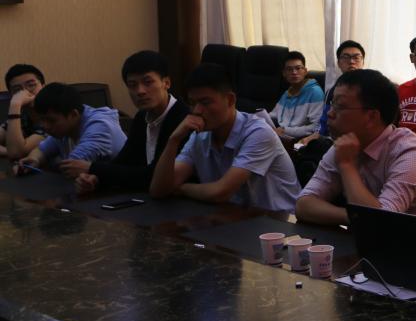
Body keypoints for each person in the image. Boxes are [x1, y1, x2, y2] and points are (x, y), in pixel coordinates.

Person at [295, 69, 416, 237]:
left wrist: (347, 166)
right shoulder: (344, 144)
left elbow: (378, 224)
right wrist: (352, 217)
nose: (330, 113)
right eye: (332, 104)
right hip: (369, 245)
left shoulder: (408, 151)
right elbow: (303, 205)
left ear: (371, 117)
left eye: (340, 106)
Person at [149, 63, 300, 212]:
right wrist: (173, 140)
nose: (197, 110)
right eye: (192, 103)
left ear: (230, 99)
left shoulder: (258, 133)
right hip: (233, 218)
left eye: (205, 102)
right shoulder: (199, 136)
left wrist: (182, 188)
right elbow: (159, 190)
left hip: (279, 222)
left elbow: (220, 193)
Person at [73, 51, 190, 194]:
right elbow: (124, 161)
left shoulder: (183, 118)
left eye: (148, 82)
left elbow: (152, 175)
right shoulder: (142, 117)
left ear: (166, 83)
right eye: (132, 85)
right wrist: (94, 179)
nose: (140, 91)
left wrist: (93, 168)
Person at [14, 83, 126, 177]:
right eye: (42, 120)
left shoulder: (100, 127)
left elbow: (71, 167)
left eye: (51, 120)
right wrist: (34, 159)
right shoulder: (66, 126)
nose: (45, 126)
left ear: (73, 114)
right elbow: (42, 149)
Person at [270, 51, 325, 144]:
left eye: (298, 68)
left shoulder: (315, 92)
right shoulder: (287, 92)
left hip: (301, 140)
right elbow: (273, 115)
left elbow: (316, 126)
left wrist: (286, 131)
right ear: (284, 73)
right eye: (289, 69)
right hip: (282, 136)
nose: (294, 72)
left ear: (305, 71)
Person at [1, 64, 47, 159]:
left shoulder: (53, 116)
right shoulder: (22, 115)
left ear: (43, 86)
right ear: (11, 95)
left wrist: (15, 104)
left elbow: (16, 153)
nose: (25, 92)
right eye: (17, 90)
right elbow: (15, 152)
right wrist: (8, 151)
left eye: (31, 85)